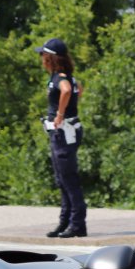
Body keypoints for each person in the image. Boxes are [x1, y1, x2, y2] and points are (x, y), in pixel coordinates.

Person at [37, 38, 87, 238]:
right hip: (63, 133)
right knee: (62, 180)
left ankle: (77, 225)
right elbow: (78, 89)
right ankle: (65, 222)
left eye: (43, 55)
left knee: (69, 179)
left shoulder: (61, 78)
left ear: (51, 58)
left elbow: (66, 90)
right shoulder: (67, 77)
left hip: (64, 132)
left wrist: (60, 114)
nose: (41, 58)